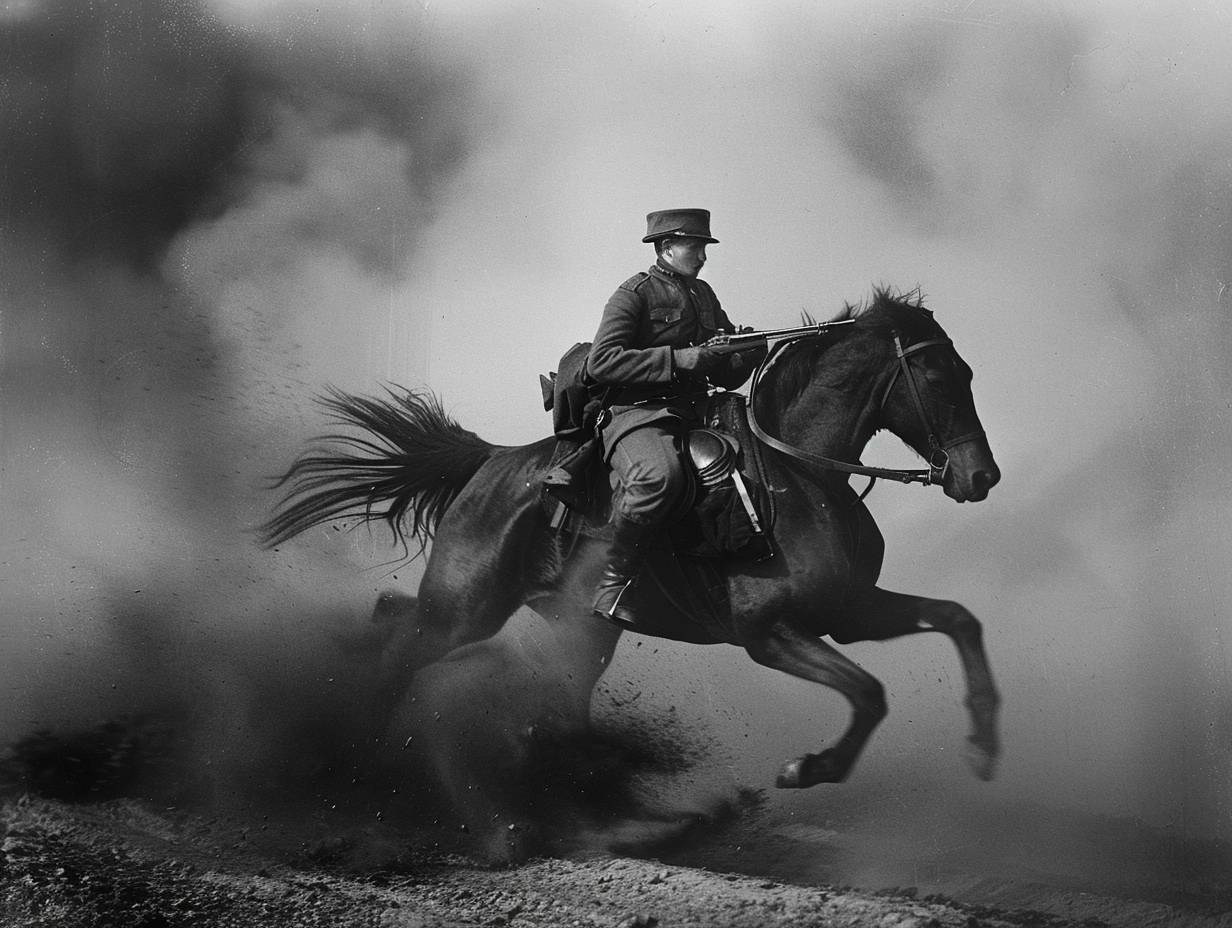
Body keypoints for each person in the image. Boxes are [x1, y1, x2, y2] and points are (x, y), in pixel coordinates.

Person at [586, 208, 762, 628]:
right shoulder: (634, 294)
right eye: (694, 246)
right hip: (637, 413)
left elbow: (720, 370)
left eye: (703, 247)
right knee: (657, 478)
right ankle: (613, 585)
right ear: (666, 248)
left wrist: (748, 352)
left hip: (695, 410)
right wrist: (678, 358)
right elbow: (601, 362)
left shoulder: (704, 294)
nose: (702, 255)